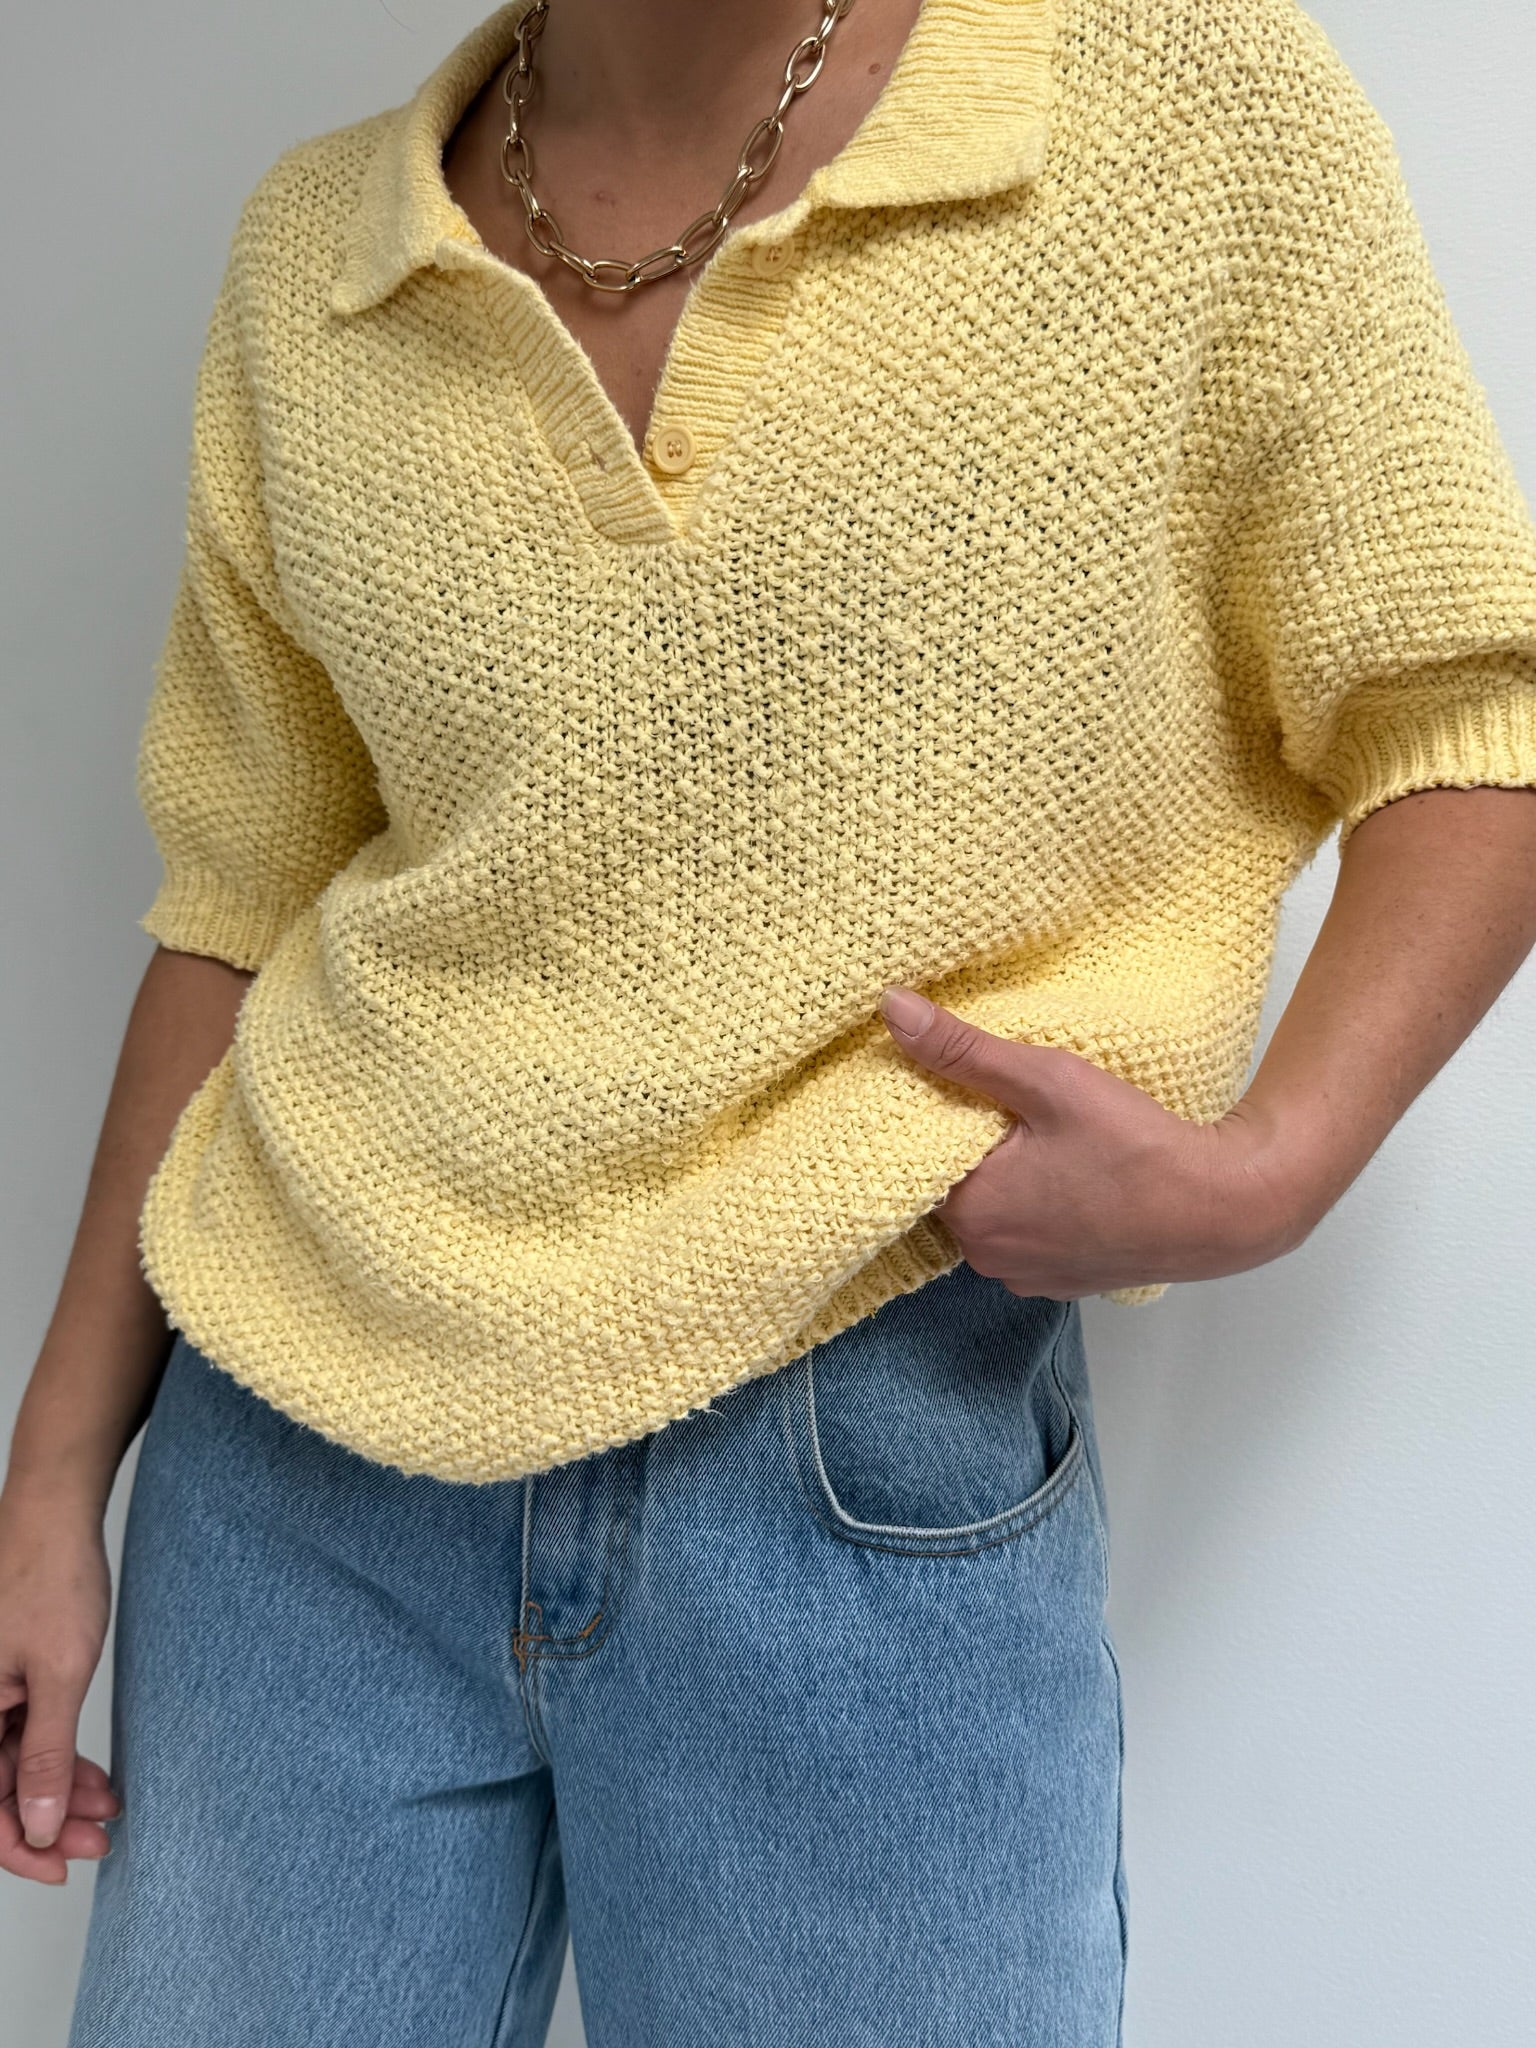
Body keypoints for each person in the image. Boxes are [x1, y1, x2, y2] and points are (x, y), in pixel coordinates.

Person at [5, 0, 1536, 2040]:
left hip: (862, 1445)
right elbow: (238, 902)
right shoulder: (320, 259)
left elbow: (1469, 715)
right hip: (299, 1472)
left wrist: (1271, 1170)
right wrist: (54, 1472)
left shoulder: (1182, 110)